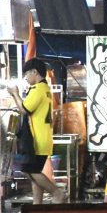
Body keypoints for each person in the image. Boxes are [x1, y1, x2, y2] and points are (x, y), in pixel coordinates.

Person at [7, 58, 66, 204]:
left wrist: (15, 94)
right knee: (35, 173)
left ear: (35, 72)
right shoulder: (45, 89)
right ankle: (37, 205)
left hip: (36, 139)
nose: (26, 78)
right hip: (43, 138)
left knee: (30, 171)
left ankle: (57, 192)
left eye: (27, 74)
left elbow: (24, 109)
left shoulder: (38, 89)